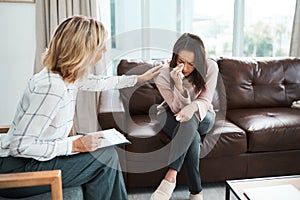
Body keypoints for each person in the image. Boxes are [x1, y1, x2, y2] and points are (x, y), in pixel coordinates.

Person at [0, 15, 161, 200]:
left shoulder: (68, 77)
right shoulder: (52, 88)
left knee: (105, 154)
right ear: (84, 50)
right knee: (106, 158)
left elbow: (99, 82)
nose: (105, 50)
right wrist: (74, 144)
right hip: (20, 168)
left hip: (36, 160)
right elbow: (19, 146)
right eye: (101, 46)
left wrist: (139, 79)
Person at [151, 33, 219, 200]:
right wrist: (179, 86)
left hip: (203, 114)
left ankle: (170, 176)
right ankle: (196, 192)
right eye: (182, 62)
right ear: (175, 58)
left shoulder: (211, 67)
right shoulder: (163, 74)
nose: (186, 68)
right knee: (192, 134)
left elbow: (205, 100)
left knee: (191, 121)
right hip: (171, 114)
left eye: (191, 63)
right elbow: (175, 108)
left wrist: (193, 107)